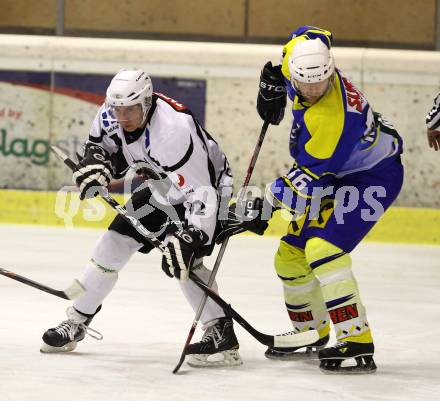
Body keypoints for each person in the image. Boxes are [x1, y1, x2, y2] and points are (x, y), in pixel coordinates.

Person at [217, 26, 404, 374]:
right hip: (337, 174)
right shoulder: (304, 54)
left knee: (322, 249)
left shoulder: (335, 120)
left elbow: (308, 178)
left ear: (330, 69)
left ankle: (356, 339)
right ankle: (310, 332)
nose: (314, 90)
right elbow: (312, 31)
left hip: (372, 178)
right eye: (306, 85)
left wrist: (265, 204)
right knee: (290, 257)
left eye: (321, 83)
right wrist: (275, 75)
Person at [41, 68, 242, 368]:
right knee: (113, 243)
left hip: (207, 189)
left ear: (146, 103)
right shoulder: (112, 113)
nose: (122, 117)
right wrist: (95, 167)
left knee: (182, 259)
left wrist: (193, 236)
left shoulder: (174, 132)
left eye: (130, 110)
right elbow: (101, 148)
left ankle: (220, 334)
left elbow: (202, 195)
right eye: (117, 109)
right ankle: (77, 320)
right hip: (163, 184)